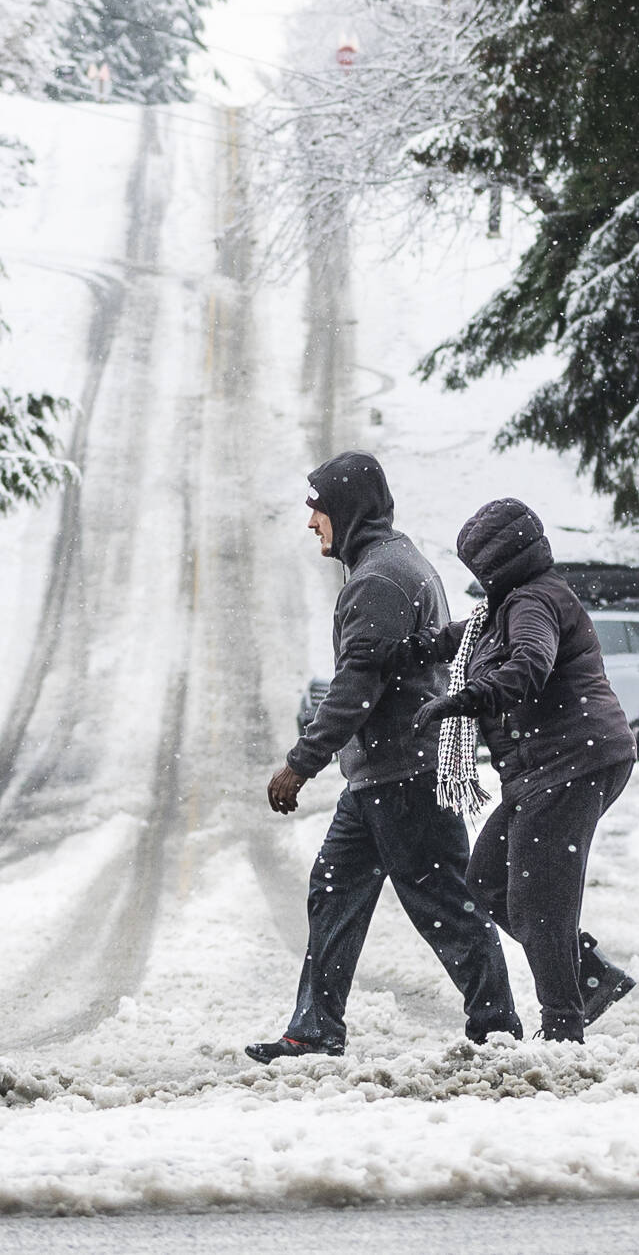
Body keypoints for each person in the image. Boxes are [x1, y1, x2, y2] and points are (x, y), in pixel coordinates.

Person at [248, 451, 522, 1064]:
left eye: (317, 507)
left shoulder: (378, 579)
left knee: (445, 905)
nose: (310, 520)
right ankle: (314, 1031)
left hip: (405, 772)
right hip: (383, 772)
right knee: (334, 890)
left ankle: (498, 1028)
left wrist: (300, 762)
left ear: (346, 508)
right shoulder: (391, 563)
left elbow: (357, 688)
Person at [394, 498, 638, 1043]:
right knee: (487, 882)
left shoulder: (532, 603)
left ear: (494, 563)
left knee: (537, 896)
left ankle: (562, 1028)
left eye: (476, 566)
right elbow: (461, 640)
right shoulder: (504, 607)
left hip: (572, 760)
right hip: (546, 768)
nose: (474, 578)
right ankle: (587, 976)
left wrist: (463, 700)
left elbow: (528, 664)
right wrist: (403, 652)